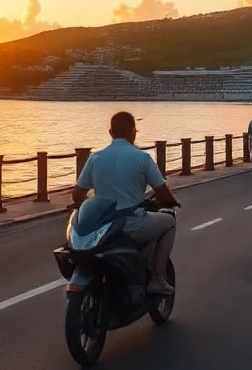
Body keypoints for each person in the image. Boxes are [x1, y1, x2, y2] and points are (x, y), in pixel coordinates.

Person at [72, 111, 180, 295]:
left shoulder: (95, 158)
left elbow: (77, 195)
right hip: (132, 224)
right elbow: (163, 195)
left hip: (103, 226)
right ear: (133, 132)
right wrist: (172, 202)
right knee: (169, 220)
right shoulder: (142, 158)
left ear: (110, 132)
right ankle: (157, 279)